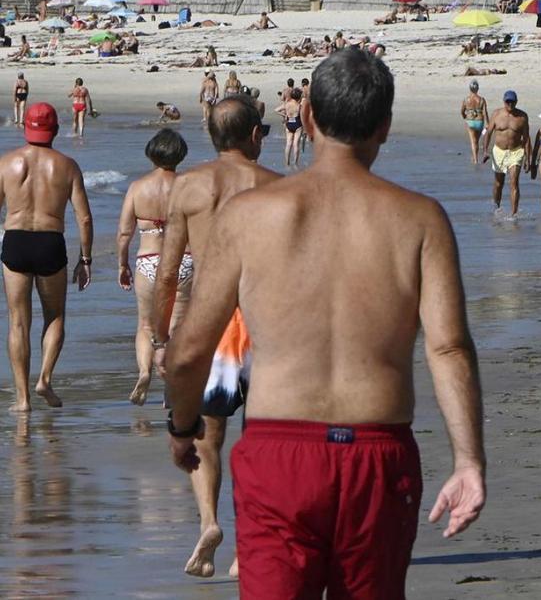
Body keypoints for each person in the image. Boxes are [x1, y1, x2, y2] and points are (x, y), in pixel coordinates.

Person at [162, 50, 485, 595]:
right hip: (378, 454)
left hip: (279, 455)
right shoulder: (422, 219)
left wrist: (182, 426)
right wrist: (468, 460)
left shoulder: (249, 216)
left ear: (307, 117)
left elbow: (190, 350)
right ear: (385, 124)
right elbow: (449, 349)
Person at [152, 95, 282, 578]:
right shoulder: (278, 187)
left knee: (206, 434)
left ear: (211, 137)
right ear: (254, 136)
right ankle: (249, 544)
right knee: (262, 438)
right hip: (267, 319)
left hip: (214, 321)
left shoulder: (188, 187)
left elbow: (168, 273)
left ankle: (209, 521)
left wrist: (160, 336)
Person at [0, 103, 93, 412]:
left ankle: (23, 399)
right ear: (53, 129)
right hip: (51, 243)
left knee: (18, 322)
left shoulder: (7, 163)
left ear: (26, 125)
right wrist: (86, 260)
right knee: (55, 316)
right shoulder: (67, 166)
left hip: (15, 242)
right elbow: (85, 220)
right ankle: (45, 379)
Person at [116, 129, 191, 406]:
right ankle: (171, 386)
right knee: (177, 326)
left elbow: (125, 233)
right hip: (183, 259)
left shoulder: (138, 187)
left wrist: (122, 264)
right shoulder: (188, 186)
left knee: (146, 325)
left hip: (148, 261)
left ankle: (146, 371)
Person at [481, 90, 532, 216]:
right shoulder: (496, 114)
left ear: (516, 102)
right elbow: (488, 133)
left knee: (514, 182)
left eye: (512, 102)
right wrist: (485, 151)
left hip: (516, 151)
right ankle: (496, 207)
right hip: (499, 151)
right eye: (508, 102)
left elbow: (526, 138)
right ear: (504, 102)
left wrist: (528, 158)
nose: (510, 104)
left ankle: (513, 214)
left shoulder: (522, 117)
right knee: (499, 183)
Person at [461, 80, 489, 165]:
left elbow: (462, 111)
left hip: (470, 121)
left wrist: (465, 117)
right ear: (477, 89)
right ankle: (474, 158)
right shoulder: (482, 100)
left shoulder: (466, 99)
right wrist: (488, 123)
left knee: (473, 141)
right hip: (479, 121)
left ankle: (475, 160)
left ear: (470, 88)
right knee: (476, 140)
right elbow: (485, 112)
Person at [275, 89, 304, 169]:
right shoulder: (299, 106)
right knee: (296, 144)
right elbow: (303, 116)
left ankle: (287, 163)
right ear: (299, 97)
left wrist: (284, 116)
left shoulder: (287, 104)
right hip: (297, 124)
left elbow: (276, 110)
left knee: (288, 144)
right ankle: (295, 163)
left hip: (289, 123)